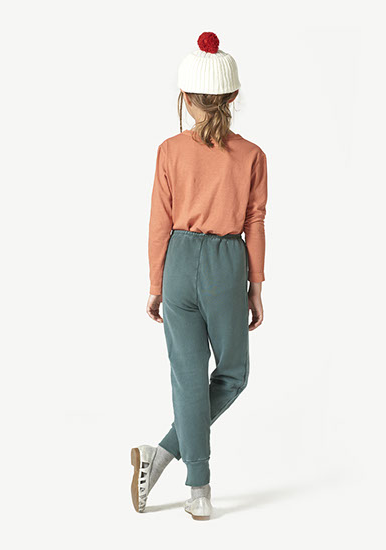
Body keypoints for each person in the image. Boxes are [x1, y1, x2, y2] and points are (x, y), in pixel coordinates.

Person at [130, 31, 268, 521]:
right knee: (231, 375)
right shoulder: (251, 155)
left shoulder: (169, 149)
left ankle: (192, 482)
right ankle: (176, 465)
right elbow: (254, 221)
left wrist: (155, 283)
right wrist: (255, 286)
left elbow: (159, 221)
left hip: (178, 259)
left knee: (189, 377)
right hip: (225, 265)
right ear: (232, 96)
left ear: (186, 98)